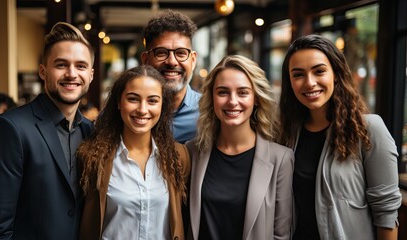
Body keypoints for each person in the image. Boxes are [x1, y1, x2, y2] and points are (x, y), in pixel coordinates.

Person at [0, 22, 94, 239]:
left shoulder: (92, 132)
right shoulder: (8, 129)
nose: (71, 74)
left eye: (81, 66)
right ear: (43, 71)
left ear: (91, 74)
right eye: (61, 65)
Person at [278, 34, 401, 240]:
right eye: (298, 74)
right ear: (289, 82)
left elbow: (386, 212)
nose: (309, 83)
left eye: (319, 71)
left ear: (335, 73)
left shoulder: (368, 129)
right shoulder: (287, 133)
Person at [186, 55, 294, 239]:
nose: (232, 101)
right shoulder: (192, 151)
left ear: (256, 98)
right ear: (212, 98)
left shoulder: (281, 158)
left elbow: (282, 233)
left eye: (243, 92)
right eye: (223, 92)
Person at [78, 65, 191, 240]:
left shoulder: (178, 157)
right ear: (118, 102)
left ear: (162, 105)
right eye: (133, 99)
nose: (142, 109)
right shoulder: (92, 156)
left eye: (152, 101)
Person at [141, 9, 201, 144]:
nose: (172, 62)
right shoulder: (126, 112)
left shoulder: (210, 114)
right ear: (145, 60)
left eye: (181, 53)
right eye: (161, 53)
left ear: (193, 60)